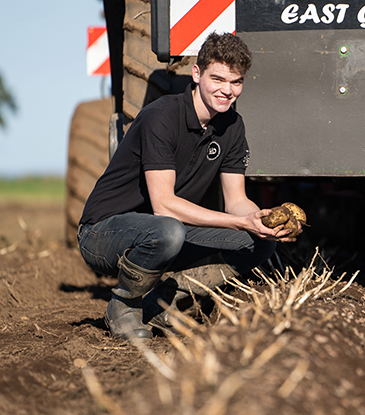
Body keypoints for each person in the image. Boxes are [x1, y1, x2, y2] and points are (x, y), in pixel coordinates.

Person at [78, 32, 298, 340]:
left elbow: (236, 200)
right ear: (196, 73)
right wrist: (237, 221)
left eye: (236, 82)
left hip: (164, 228)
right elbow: (164, 204)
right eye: (218, 79)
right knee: (169, 231)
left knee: (258, 243)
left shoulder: (232, 126)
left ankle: (163, 303)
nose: (227, 91)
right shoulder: (162, 117)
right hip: (103, 232)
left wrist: (260, 219)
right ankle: (125, 305)